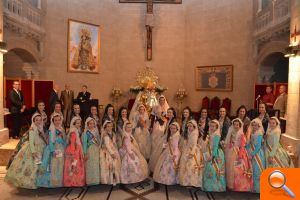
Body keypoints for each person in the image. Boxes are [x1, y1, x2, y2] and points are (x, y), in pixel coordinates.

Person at [5, 113, 47, 189]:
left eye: (40, 120)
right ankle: (29, 182)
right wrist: (34, 152)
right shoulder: (32, 129)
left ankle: (40, 181)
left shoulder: (40, 128)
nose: (38, 122)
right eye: (36, 120)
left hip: (41, 147)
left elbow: (44, 138)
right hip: (33, 149)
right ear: (33, 121)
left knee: (39, 166)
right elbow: (31, 142)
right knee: (31, 166)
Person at [224, 118, 252, 191]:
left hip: (237, 152)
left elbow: (243, 144)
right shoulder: (231, 131)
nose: (236, 126)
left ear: (240, 126)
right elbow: (228, 140)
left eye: (237, 125)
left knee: (234, 168)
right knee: (229, 166)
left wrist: (240, 154)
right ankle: (228, 183)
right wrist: (229, 144)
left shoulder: (241, 134)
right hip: (230, 150)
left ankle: (234, 184)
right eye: (234, 124)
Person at [149, 107, 176, 172]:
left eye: (170, 112)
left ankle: (162, 169)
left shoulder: (173, 122)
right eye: (168, 112)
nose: (169, 114)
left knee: (162, 152)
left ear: (173, 114)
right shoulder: (169, 120)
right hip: (165, 137)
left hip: (168, 139)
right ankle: (159, 169)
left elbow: (173, 133)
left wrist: (167, 141)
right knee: (159, 151)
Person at [202, 120, 226, 192]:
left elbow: (215, 147)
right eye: (210, 126)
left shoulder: (217, 135)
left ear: (217, 127)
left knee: (214, 170)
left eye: (213, 126)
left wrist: (212, 156)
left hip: (215, 154)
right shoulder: (211, 133)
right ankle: (208, 186)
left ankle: (216, 187)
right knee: (208, 169)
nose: (212, 128)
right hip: (210, 151)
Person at [178, 120, 203, 187]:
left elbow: (194, 144)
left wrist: (192, 153)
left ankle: (191, 182)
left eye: (191, 126)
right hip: (187, 148)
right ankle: (185, 180)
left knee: (191, 165)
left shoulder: (195, 133)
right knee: (185, 165)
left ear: (194, 127)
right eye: (188, 126)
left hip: (193, 150)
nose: (189, 127)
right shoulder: (189, 132)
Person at [63, 117, 85, 187]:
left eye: (80, 123)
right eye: (77, 123)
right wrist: (73, 153)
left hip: (76, 149)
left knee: (75, 165)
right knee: (74, 165)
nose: (79, 124)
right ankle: (73, 181)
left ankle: (75, 180)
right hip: (74, 150)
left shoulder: (76, 130)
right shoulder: (73, 131)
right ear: (74, 123)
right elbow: (72, 142)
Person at [246, 118, 266, 193]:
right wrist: (246, 147)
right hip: (250, 150)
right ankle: (251, 186)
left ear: (259, 126)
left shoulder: (260, 133)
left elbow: (258, 146)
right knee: (251, 169)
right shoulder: (252, 132)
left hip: (257, 153)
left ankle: (257, 188)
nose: (254, 127)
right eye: (253, 125)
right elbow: (250, 142)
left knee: (257, 170)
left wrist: (252, 154)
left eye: (256, 125)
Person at [99, 121, 121, 185]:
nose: (110, 127)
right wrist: (112, 153)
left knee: (116, 164)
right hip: (107, 151)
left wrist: (115, 149)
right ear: (105, 127)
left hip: (113, 149)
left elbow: (114, 142)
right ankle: (110, 180)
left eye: (111, 126)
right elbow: (107, 145)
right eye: (108, 126)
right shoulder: (105, 134)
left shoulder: (113, 133)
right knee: (109, 164)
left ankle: (115, 179)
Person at [48, 114, 66, 187]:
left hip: (61, 148)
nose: (57, 122)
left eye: (59, 120)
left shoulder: (61, 128)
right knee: (55, 164)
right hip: (55, 148)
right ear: (53, 121)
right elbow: (50, 141)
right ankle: (55, 181)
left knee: (61, 164)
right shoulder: (51, 129)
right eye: (56, 120)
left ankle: (60, 181)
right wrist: (52, 151)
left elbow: (64, 139)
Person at [82, 117, 101, 185]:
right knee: (90, 165)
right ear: (87, 124)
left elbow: (98, 141)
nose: (91, 125)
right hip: (89, 150)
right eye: (90, 124)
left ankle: (96, 180)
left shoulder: (96, 131)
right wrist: (85, 153)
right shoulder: (85, 133)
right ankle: (90, 180)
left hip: (96, 149)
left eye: (93, 123)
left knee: (96, 164)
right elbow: (84, 144)